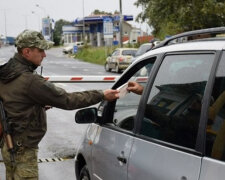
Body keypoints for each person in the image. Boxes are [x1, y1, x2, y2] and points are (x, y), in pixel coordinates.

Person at [0, 30, 119, 180]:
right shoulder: (29, 80)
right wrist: (102, 95)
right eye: (41, 50)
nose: (44, 55)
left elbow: (14, 102)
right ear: (27, 52)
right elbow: (68, 100)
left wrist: (37, 106)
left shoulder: (6, 72)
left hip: (9, 144)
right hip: (23, 150)